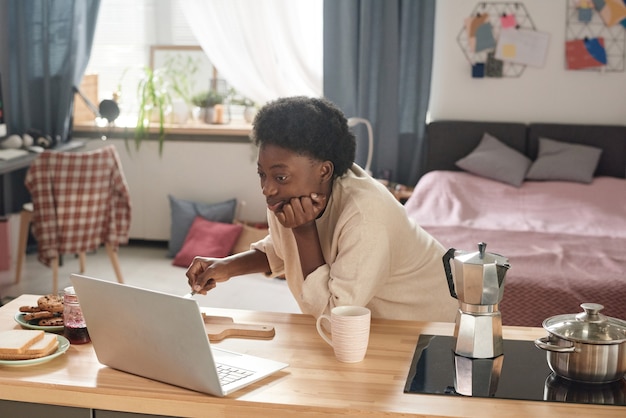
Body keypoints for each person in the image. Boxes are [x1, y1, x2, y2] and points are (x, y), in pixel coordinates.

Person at [186, 96, 457, 322]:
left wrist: (305, 232)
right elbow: (283, 250)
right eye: (262, 174)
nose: (267, 188)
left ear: (324, 170)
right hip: (368, 328)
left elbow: (331, 317)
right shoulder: (291, 196)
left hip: (426, 331)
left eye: (279, 177)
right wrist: (225, 267)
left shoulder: (366, 217)